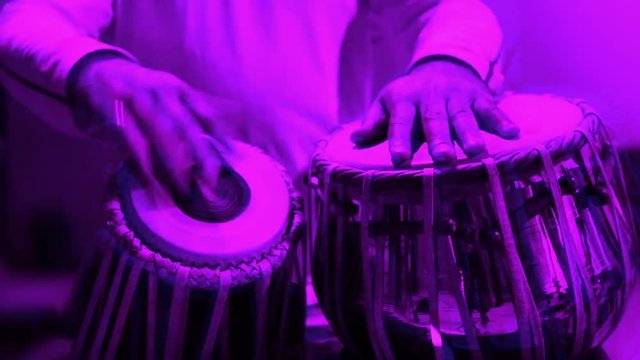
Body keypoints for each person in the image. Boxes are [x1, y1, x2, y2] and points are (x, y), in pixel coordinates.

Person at [0, 0, 518, 195]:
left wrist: (446, 63)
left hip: (363, 259)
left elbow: (452, 8)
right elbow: (24, 20)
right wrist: (95, 67)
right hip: (190, 256)